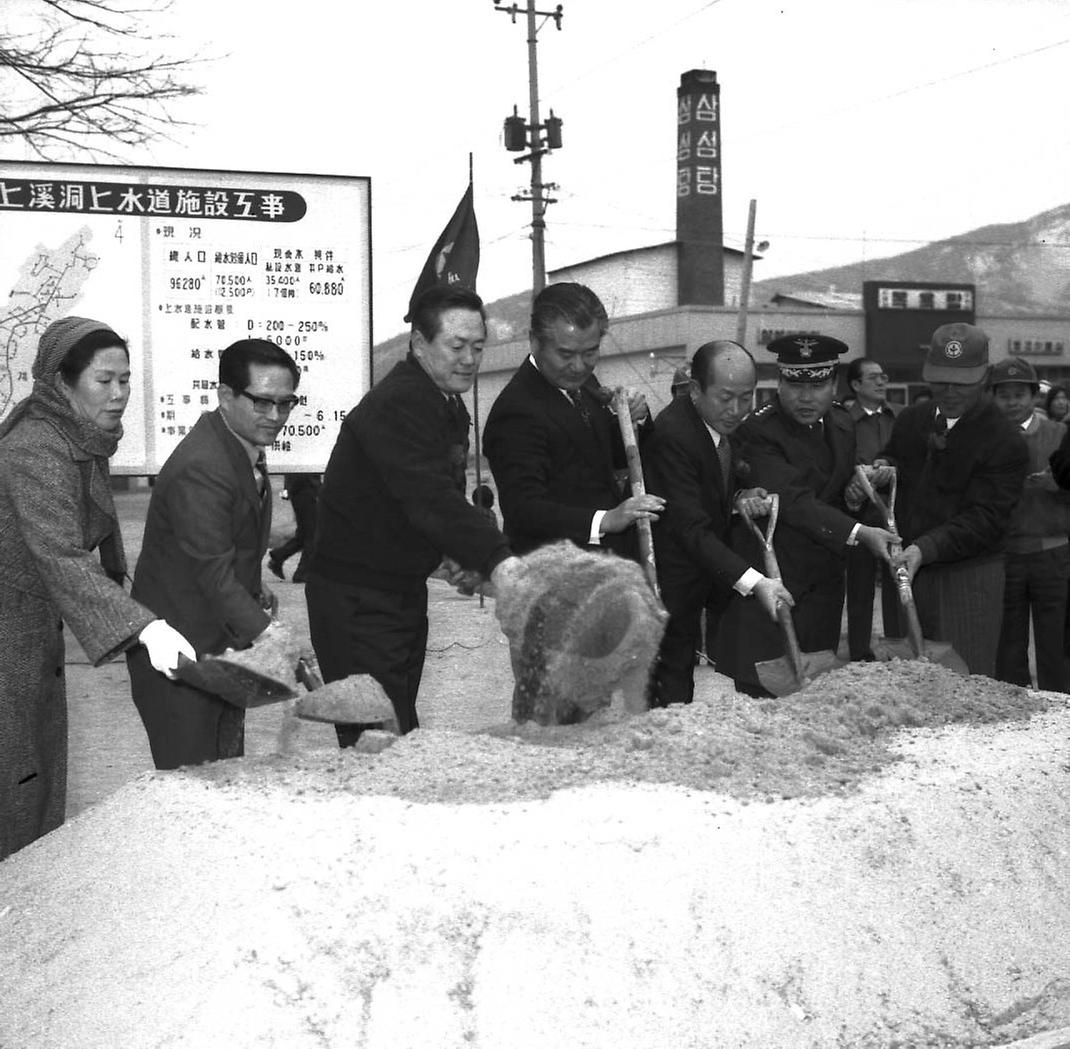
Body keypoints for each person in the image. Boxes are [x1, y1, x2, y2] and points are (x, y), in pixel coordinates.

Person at [0, 316, 194, 859]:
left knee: (28, 763)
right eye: (103, 380)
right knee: (15, 766)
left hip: (28, 624)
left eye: (125, 380)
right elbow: (59, 552)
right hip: (9, 625)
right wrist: (143, 625)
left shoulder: (78, 437)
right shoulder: (35, 447)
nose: (118, 394)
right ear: (62, 381)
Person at [304, 285, 518, 746]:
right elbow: (429, 497)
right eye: (456, 346)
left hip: (394, 592)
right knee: (378, 742)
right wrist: (501, 562)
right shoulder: (400, 401)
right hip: (358, 602)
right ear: (419, 343)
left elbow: (408, 507)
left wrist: (454, 559)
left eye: (477, 347)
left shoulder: (443, 401)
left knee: (398, 732)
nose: (469, 359)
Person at [128, 338, 298, 769]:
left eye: (285, 403)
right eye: (262, 402)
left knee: (223, 779)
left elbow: (234, 557)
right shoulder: (204, 465)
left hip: (218, 655)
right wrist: (270, 635)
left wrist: (258, 600)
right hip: (180, 662)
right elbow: (213, 574)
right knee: (192, 793)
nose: (275, 416)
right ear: (225, 395)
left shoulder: (238, 449)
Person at [714, 334, 897, 697]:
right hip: (774, 584)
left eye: (817, 386)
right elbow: (794, 500)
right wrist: (859, 531)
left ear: (834, 385)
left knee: (816, 695)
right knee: (763, 697)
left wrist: (855, 493)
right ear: (779, 383)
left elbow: (834, 491)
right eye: (794, 385)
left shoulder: (842, 424)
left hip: (824, 586)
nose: (805, 397)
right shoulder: (757, 431)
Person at [643, 340, 793, 706]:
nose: (737, 410)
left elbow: (713, 483)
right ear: (695, 390)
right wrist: (756, 583)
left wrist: (739, 496)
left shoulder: (714, 424)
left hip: (704, 571)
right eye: (726, 397)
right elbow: (689, 526)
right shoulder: (673, 434)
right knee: (672, 680)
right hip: (673, 577)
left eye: (746, 398)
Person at [876, 323, 1028, 677]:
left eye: (963, 382)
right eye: (941, 380)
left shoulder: (1005, 440)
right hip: (907, 571)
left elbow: (986, 518)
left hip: (967, 578)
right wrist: (883, 468)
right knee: (906, 682)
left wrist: (925, 548)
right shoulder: (912, 419)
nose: (950, 391)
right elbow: (896, 458)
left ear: (986, 376)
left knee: (964, 679)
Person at [483, 282, 664, 559]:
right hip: (553, 573)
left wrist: (633, 418)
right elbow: (523, 509)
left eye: (590, 352)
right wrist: (605, 520)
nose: (579, 366)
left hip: (607, 566)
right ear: (534, 341)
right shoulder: (515, 411)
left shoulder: (584, 384)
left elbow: (603, 458)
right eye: (565, 354)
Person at [988, 359, 1070, 692]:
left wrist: (1060, 486)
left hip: (1053, 553)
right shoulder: (984, 437)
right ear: (992, 397)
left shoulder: (1059, 433)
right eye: (1004, 394)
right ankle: (1012, 706)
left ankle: (1060, 710)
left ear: (1035, 396)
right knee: (1008, 641)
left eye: (1020, 394)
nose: (1012, 402)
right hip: (1002, 555)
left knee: (1057, 642)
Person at [844, 357, 903, 660]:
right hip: (858, 516)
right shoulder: (842, 420)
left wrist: (888, 464)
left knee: (898, 582)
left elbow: (908, 456)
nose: (882, 382)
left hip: (895, 515)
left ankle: (896, 647)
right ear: (855, 385)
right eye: (873, 377)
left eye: (884, 376)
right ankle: (859, 652)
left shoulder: (899, 417)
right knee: (860, 587)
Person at [268, 472, 322, 583]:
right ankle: (302, 572)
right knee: (311, 534)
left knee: (304, 533)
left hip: (301, 489)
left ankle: (279, 556)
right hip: (306, 489)